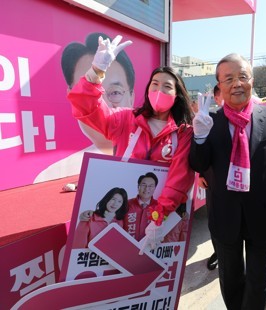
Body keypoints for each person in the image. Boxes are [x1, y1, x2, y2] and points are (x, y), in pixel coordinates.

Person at [67, 35, 195, 252]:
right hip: (125, 215)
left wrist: (158, 221)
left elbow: (178, 180)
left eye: (167, 87)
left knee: (156, 276)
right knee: (117, 268)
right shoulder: (127, 119)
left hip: (162, 221)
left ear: (177, 95)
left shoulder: (183, 133)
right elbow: (86, 109)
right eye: (155, 85)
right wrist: (96, 72)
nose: (159, 91)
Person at [189, 53, 266, 309]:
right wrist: (199, 138)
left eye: (242, 76)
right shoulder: (208, 122)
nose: (237, 83)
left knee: (259, 279)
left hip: (261, 216)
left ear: (252, 81)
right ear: (219, 86)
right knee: (230, 278)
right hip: (224, 215)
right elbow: (199, 166)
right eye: (229, 78)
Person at [36, 32, 136, 186]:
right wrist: (97, 70)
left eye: (115, 92)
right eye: (92, 91)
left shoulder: (151, 142)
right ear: (71, 95)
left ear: (132, 97)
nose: (104, 105)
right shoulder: (50, 176)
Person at [198, 85, 223, 270]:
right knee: (214, 221)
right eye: (222, 92)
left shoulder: (245, 119)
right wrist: (200, 174)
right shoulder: (209, 119)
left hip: (236, 181)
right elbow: (200, 150)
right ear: (215, 97)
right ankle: (218, 251)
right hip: (212, 180)